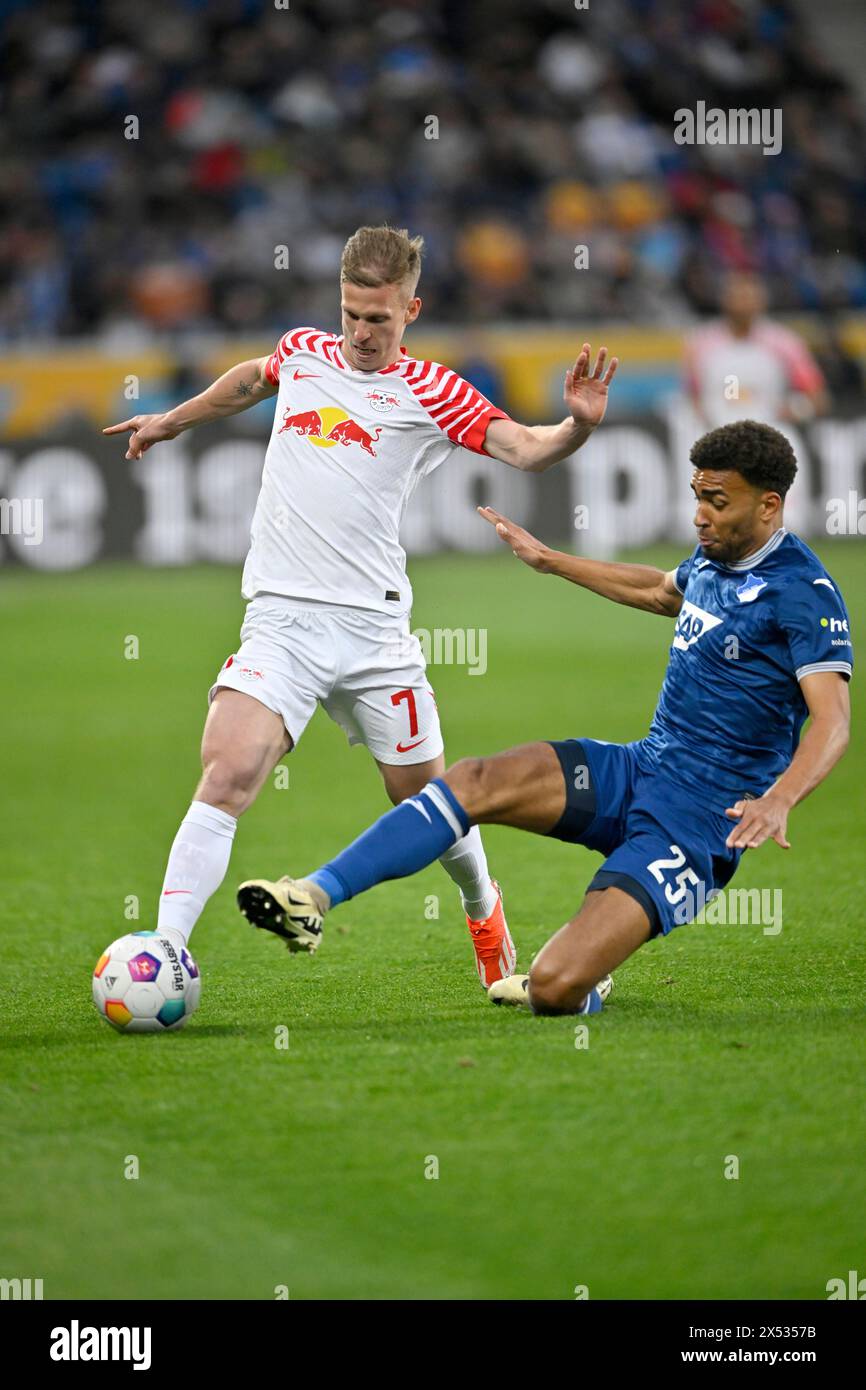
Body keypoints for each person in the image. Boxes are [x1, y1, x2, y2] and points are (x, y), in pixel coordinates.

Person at [103, 224, 618, 989]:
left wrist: (576, 424)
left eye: (379, 318)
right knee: (230, 768)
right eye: (351, 313)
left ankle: (484, 906)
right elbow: (252, 377)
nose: (361, 332)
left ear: (413, 308)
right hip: (280, 618)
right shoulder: (306, 351)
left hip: (375, 634)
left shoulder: (434, 390)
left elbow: (523, 448)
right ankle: (166, 951)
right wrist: (170, 421)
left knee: (429, 800)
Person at [243, 420, 852, 1015]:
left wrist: (779, 799)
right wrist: (550, 560)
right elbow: (663, 592)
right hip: (641, 769)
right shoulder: (713, 559)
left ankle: (583, 976)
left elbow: (833, 721)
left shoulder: (803, 594)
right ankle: (312, 896)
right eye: (697, 496)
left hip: (697, 825)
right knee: (473, 779)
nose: (700, 515)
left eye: (716, 501)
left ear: (769, 505)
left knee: (554, 988)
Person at [684, 272, 828, 427]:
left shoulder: (784, 343)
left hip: (772, 434)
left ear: (762, 301)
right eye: (737, 297)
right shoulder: (701, 343)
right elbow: (693, 395)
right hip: (715, 434)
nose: (743, 304)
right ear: (724, 300)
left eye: (749, 297)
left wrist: (794, 410)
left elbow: (818, 399)